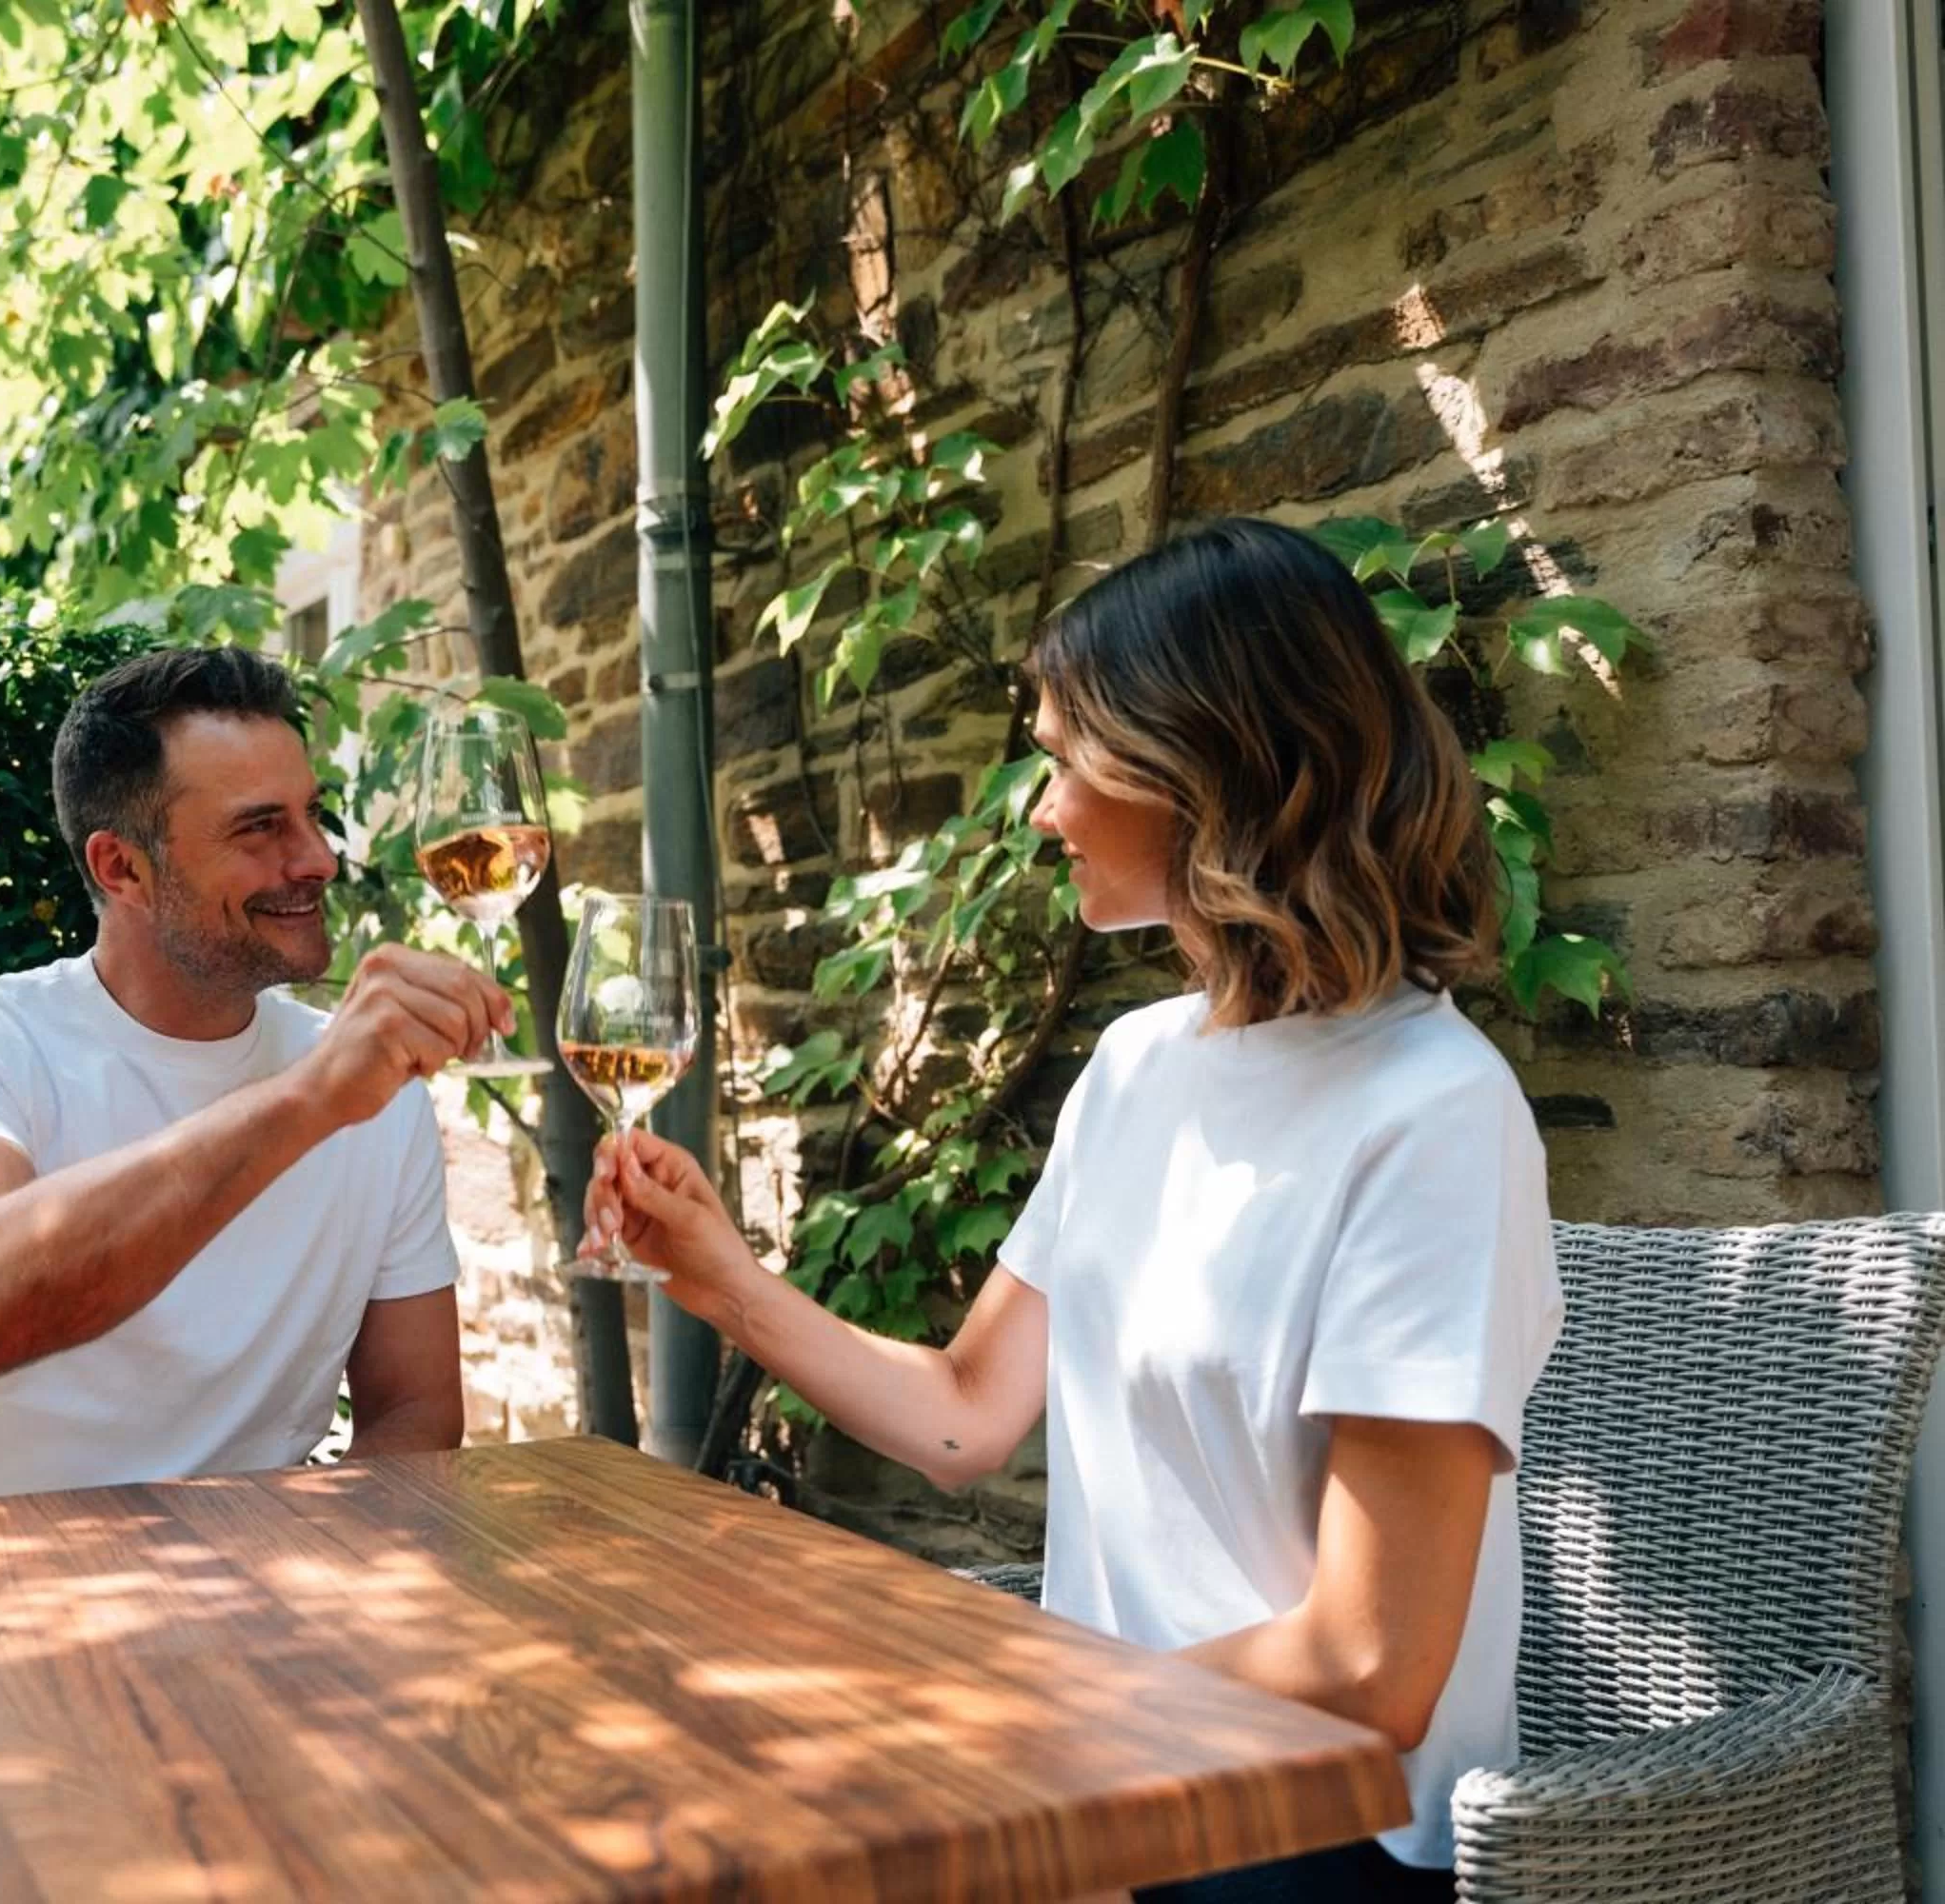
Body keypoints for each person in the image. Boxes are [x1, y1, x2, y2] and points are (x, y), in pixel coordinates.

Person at [586, 518, 1560, 1900]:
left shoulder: (1434, 1116)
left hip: (1300, 1831)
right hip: (1106, 1784)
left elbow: (1368, 1668)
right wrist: (718, 1276)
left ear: (1208, 761)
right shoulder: (1137, 1068)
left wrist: (1012, 1728)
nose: (1038, 810)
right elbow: (968, 1411)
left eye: (1063, 757)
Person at [0, 645, 504, 1513]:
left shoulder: (377, 1094)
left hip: (234, 1600)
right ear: (122, 869)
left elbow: (413, 1410)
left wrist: (314, 1574)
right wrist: (312, 1098)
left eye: (313, 814)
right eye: (260, 828)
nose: (319, 860)